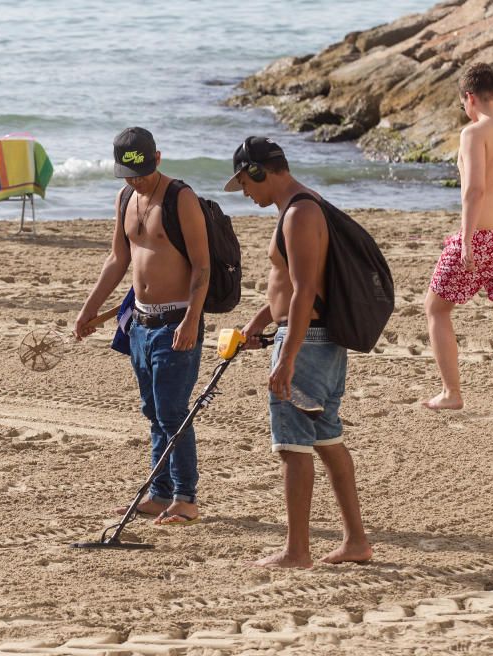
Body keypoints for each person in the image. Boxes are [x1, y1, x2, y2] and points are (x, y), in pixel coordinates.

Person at [227, 136, 371, 568]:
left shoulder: (300, 213)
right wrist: (260, 321)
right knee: (328, 440)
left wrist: (286, 358)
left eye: (246, 183)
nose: (247, 193)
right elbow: (292, 287)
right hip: (315, 339)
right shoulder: (304, 206)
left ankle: (296, 551)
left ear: (258, 171)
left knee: (293, 447)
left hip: (306, 344)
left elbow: (306, 289)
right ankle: (356, 542)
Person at [74, 127, 210, 527]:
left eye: (143, 172)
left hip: (176, 322)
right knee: (153, 412)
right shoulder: (125, 197)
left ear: (158, 158)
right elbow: (117, 260)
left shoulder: (180, 198)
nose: (137, 180)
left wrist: (191, 319)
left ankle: (186, 498)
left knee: (173, 414)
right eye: (129, 174)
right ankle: (159, 493)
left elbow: (202, 266)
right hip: (140, 323)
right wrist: (89, 309)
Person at [423, 62, 493, 418]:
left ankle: (451, 393)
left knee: (435, 308)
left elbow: (474, 190)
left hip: (481, 238)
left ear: (469, 98)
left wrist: (466, 238)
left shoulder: (473, 133)